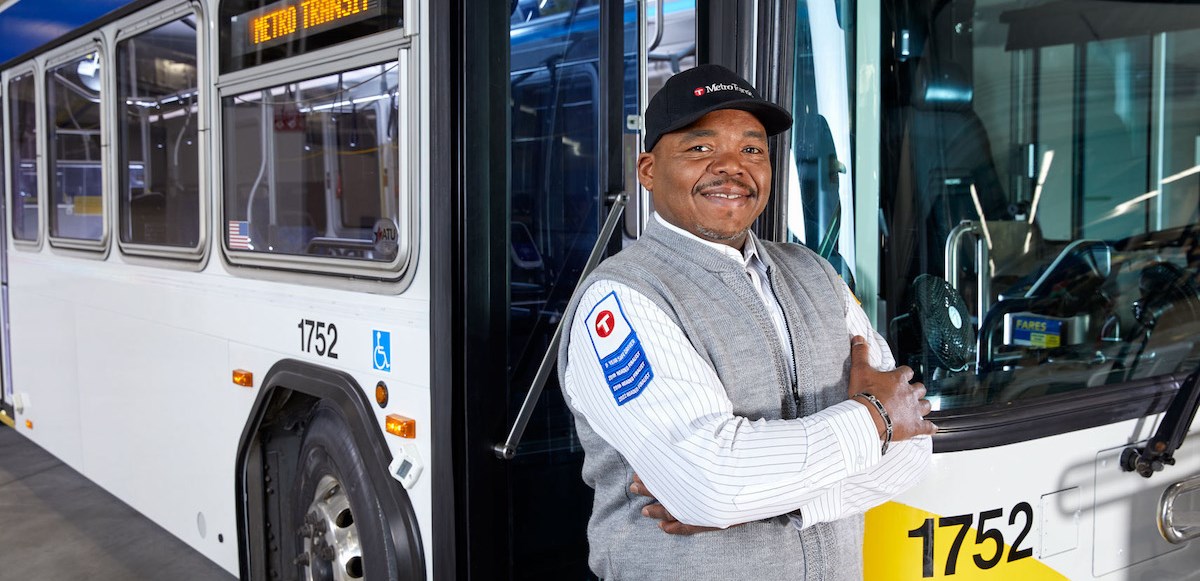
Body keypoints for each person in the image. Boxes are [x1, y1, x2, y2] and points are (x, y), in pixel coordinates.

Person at [558, 64, 936, 580]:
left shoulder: (816, 275)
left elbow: (911, 451)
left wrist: (760, 501)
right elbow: (710, 480)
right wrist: (874, 420)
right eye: (700, 148)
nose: (732, 167)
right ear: (647, 170)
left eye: (753, 150)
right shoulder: (622, 299)